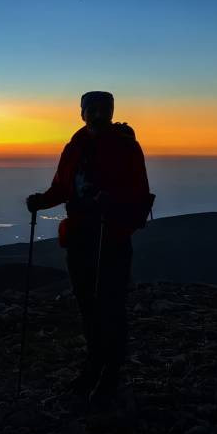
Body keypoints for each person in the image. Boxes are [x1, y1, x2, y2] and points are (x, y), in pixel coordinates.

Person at [26, 91, 153, 410]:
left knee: (109, 303)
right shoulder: (74, 147)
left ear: (111, 111)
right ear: (81, 112)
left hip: (110, 236)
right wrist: (41, 200)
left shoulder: (125, 146)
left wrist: (113, 201)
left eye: (103, 108)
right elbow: (62, 187)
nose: (97, 113)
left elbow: (138, 191)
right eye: (91, 108)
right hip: (81, 235)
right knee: (88, 304)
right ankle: (96, 364)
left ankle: (110, 371)